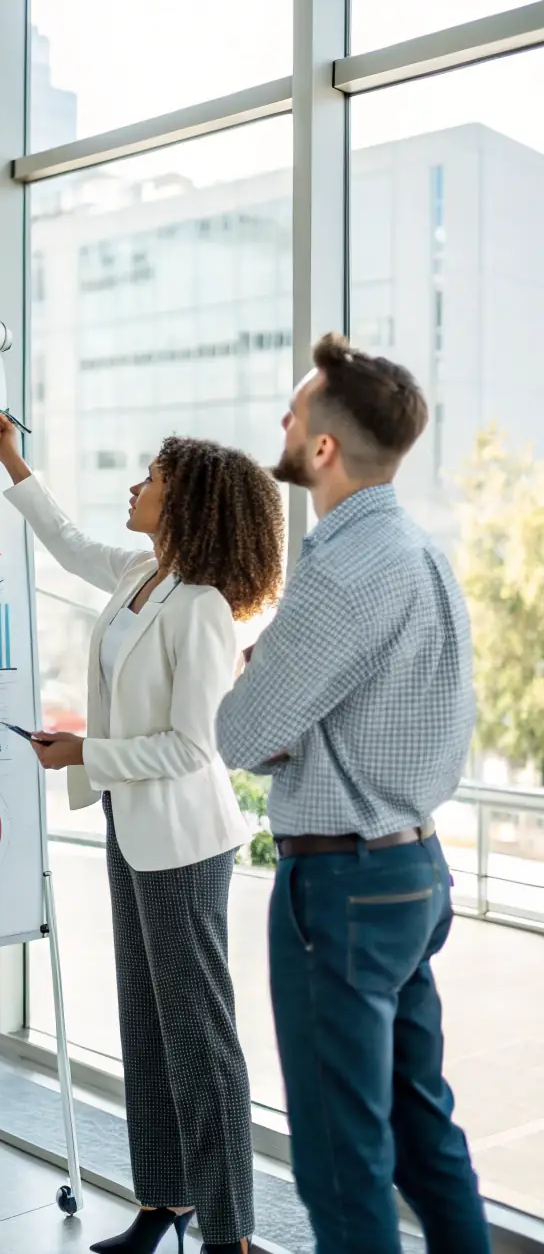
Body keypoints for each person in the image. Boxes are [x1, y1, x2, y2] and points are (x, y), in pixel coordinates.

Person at [216, 334, 491, 1254]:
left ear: (324, 447)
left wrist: (268, 692)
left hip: (341, 888)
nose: (283, 424)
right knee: (424, 1136)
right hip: (415, 869)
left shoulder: (337, 569)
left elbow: (240, 733)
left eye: (293, 413)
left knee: (341, 1161)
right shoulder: (423, 555)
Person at [0, 414, 284, 1254]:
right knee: (146, 1023)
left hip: (185, 842)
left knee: (200, 1040)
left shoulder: (202, 610)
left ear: (184, 501)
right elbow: (70, 541)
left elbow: (195, 746)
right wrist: (13, 463)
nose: (136, 486)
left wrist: (87, 750)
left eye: (151, 476)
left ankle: (228, 1234)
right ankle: (164, 1205)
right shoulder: (142, 576)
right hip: (133, 822)